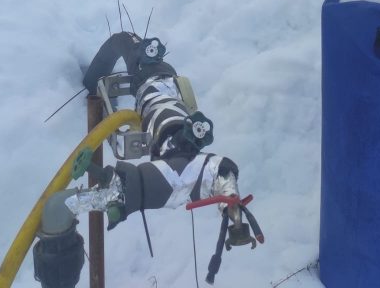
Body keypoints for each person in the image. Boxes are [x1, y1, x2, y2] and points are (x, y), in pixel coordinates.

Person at [33, 31, 251, 288]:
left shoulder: (187, 163)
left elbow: (190, 175)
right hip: (164, 129)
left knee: (58, 206)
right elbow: (199, 173)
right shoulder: (192, 163)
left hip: (164, 138)